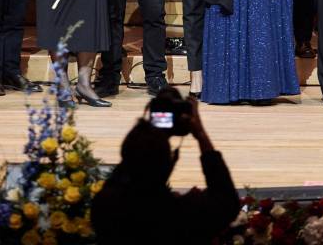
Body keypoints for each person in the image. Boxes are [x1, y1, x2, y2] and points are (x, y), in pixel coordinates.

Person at [91, 89, 240, 245]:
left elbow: (132, 161)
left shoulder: (104, 206)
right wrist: (200, 134)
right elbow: (226, 200)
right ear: (168, 165)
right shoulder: (182, 214)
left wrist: (153, 127)